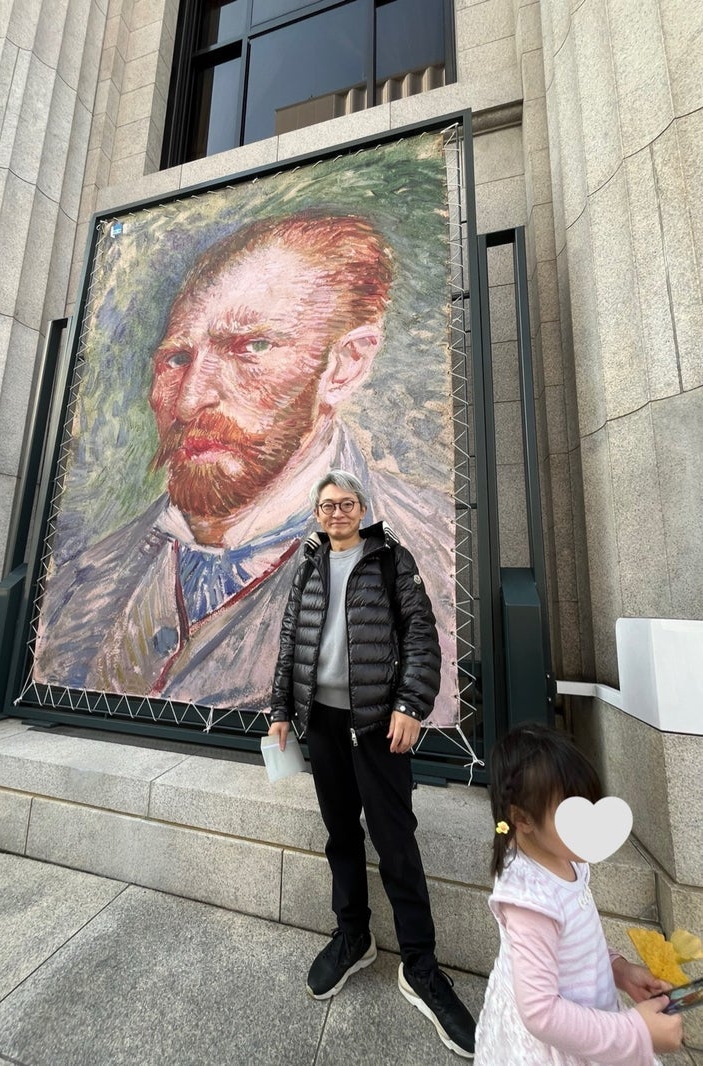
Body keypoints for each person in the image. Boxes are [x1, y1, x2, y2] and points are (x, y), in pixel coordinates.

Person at [34, 211, 457, 722]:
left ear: (345, 365)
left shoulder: (437, 556)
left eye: (251, 347)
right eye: (176, 359)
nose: (189, 401)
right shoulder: (82, 582)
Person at [268, 469, 476, 1059]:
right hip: (323, 724)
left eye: (346, 503)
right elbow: (291, 640)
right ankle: (354, 936)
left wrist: (411, 705)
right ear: (317, 513)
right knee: (341, 834)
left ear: (362, 509)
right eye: (327, 505)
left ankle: (421, 966)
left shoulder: (390, 560)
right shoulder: (308, 564)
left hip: (379, 726)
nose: (336, 513)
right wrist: (280, 708)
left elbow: (422, 637)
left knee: (395, 842)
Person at [474, 722, 684, 1065]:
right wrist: (637, 1032)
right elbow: (541, 1013)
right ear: (522, 819)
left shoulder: (567, 857)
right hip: (559, 1045)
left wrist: (619, 970)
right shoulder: (531, 902)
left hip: (589, 1017)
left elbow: (578, 941)